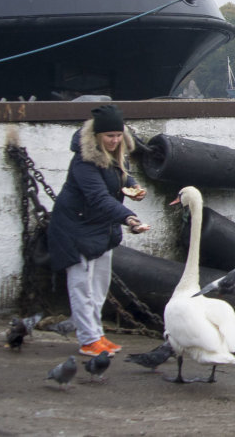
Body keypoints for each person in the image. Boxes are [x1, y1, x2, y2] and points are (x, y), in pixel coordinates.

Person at [46, 104, 150, 357]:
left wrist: (134, 187)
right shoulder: (84, 160)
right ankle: (88, 339)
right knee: (82, 285)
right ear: (97, 136)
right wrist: (128, 218)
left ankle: (97, 334)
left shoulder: (118, 153)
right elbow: (98, 197)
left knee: (100, 284)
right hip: (75, 228)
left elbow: (123, 177)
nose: (114, 140)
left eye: (117, 135)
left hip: (101, 227)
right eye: (109, 136)